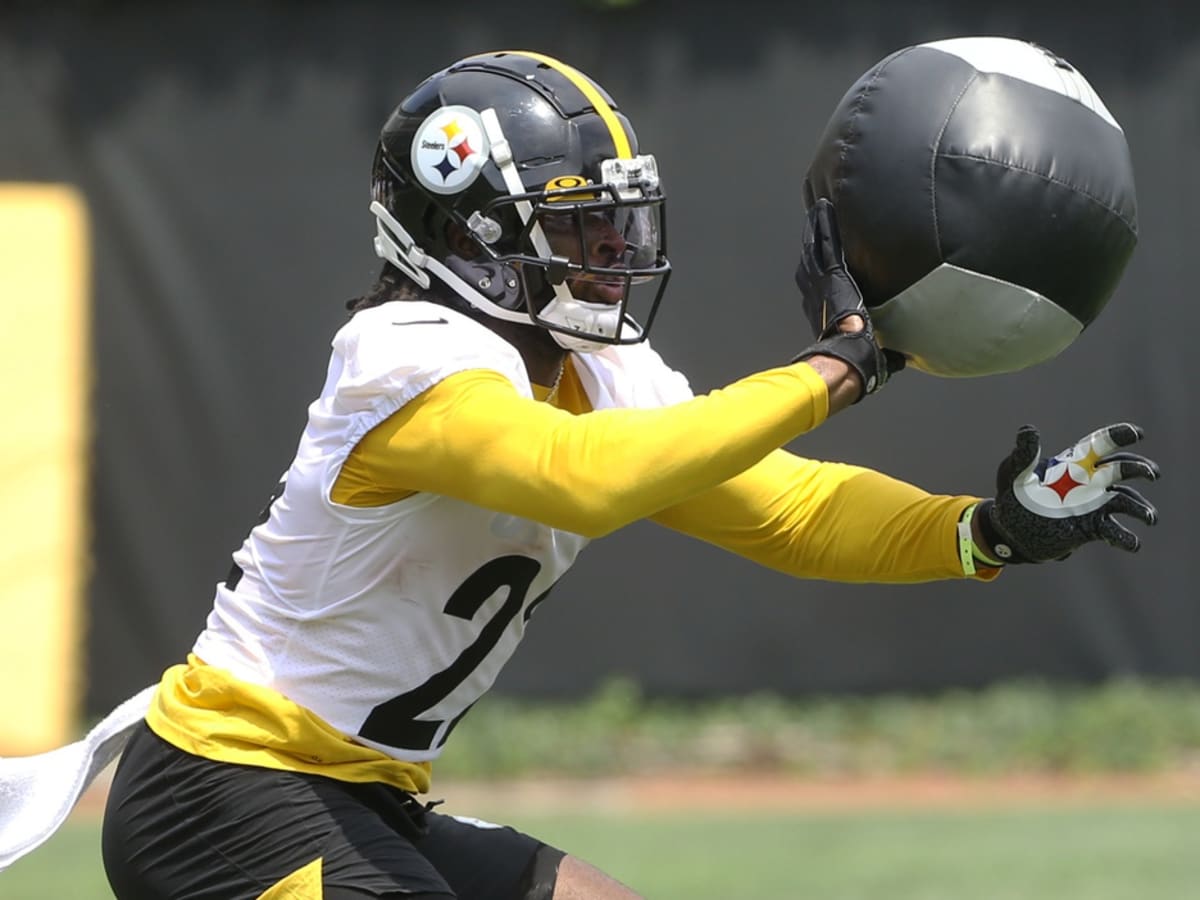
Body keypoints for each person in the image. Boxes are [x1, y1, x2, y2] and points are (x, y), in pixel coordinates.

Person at [95, 50, 1159, 900]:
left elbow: (785, 507)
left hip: (360, 791)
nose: (610, 247)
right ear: (469, 235)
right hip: (225, 793)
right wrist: (834, 370)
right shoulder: (402, 354)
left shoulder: (597, 365)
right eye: (575, 223)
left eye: (615, 217)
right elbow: (584, 480)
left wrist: (984, 530)